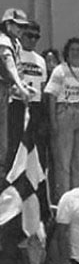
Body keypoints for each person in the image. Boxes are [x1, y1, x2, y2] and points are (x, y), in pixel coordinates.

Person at [44, 37, 79, 195]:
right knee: (63, 160)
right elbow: (51, 95)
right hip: (64, 110)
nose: (76, 53)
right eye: (72, 50)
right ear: (67, 52)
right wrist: (53, 122)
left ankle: (76, 196)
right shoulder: (60, 70)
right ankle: (63, 198)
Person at [0, 9, 37, 170]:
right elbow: (8, 63)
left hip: (6, 91)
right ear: (8, 24)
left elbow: (17, 70)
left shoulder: (15, 43)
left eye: (23, 27)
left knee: (6, 143)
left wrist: (22, 86)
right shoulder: (3, 40)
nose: (21, 30)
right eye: (18, 26)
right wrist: (20, 86)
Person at [10, 20, 48, 163]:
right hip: (16, 105)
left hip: (35, 107)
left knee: (36, 151)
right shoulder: (13, 55)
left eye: (36, 37)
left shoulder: (40, 60)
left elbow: (43, 87)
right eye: (29, 35)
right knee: (15, 148)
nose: (32, 40)